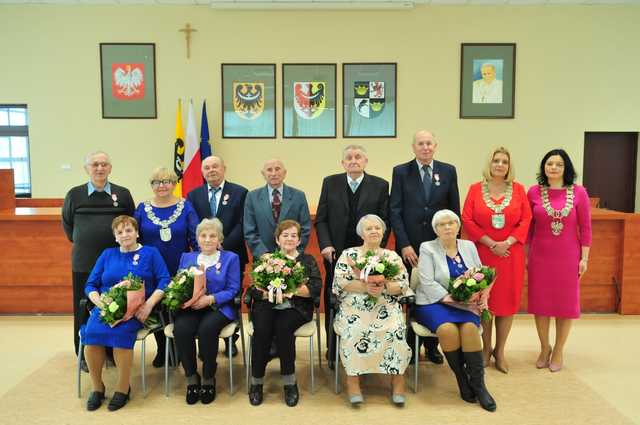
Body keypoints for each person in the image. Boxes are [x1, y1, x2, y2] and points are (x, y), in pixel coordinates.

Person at [81, 215, 170, 411]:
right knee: (91, 335)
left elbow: (164, 279)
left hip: (137, 309)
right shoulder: (107, 254)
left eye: (129, 230)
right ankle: (97, 387)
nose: (125, 235)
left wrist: (149, 304)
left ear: (137, 233)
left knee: (121, 334)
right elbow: (90, 284)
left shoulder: (151, 253)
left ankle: (123, 388)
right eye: (119, 232)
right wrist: (99, 301)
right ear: (115, 237)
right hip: (106, 307)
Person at [415, 209, 497, 412]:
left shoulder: (468, 246)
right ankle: (461, 378)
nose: (447, 227)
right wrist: (451, 298)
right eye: (442, 224)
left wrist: (482, 294)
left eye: (451, 223)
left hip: (466, 304)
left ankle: (479, 385)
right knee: (447, 330)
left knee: (469, 329)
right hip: (434, 302)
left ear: (458, 226)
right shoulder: (428, 248)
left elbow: (481, 274)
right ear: (436, 229)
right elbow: (426, 281)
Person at [390, 130, 460, 364]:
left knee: (436, 291)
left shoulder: (448, 171)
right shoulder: (401, 172)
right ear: (414, 147)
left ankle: (432, 346)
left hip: (439, 245)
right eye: (421, 143)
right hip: (411, 246)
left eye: (429, 143)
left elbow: (453, 211)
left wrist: (451, 244)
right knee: (411, 294)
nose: (425, 147)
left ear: (435, 145)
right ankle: (410, 345)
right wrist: (404, 244)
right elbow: (395, 211)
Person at [315, 144, 389, 363]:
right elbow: (321, 219)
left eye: (358, 157)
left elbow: (385, 221)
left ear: (365, 161)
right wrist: (326, 245)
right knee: (334, 297)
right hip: (336, 254)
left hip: (369, 254)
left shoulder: (380, 185)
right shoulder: (330, 183)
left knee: (368, 295)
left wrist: (376, 251)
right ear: (343, 163)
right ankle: (333, 349)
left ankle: (364, 348)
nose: (354, 160)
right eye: (349, 157)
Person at [62, 151, 135, 370]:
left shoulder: (122, 194)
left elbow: (130, 222)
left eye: (104, 164)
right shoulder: (74, 195)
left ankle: (112, 352)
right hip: (84, 262)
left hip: (116, 264)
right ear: (87, 169)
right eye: (95, 164)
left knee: (116, 304)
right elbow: (68, 227)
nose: (100, 168)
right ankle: (82, 354)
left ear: (110, 168)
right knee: (83, 307)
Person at [461, 147, 532, 373]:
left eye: (504, 161)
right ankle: (486, 348)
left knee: (507, 303)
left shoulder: (519, 190)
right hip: (483, 252)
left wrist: (507, 243)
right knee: (484, 301)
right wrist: (492, 243)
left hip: (511, 255)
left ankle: (500, 351)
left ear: (509, 166)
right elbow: (467, 219)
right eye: (496, 161)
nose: (500, 165)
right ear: (489, 164)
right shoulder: (475, 189)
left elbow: (526, 219)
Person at [333, 214, 411, 406]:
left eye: (377, 228)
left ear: (383, 232)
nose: (374, 231)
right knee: (355, 331)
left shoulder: (392, 256)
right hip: (355, 306)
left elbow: (402, 283)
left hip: (386, 305)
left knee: (396, 329)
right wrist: (366, 287)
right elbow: (340, 282)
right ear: (362, 234)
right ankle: (353, 381)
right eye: (369, 229)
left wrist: (382, 287)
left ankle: (398, 380)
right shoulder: (349, 254)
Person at [527, 149, 592, 372]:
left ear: (567, 168)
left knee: (565, 305)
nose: (553, 168)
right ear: (544, 167)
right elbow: (528, 227)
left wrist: (585, 258)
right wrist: (525, 255)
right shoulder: (534, 192)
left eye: (559, 164)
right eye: (549, 164)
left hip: (568, 256)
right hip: (540, 256)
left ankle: (559, 350)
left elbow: (585, 227)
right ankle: (545, 347)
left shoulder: (579, 193)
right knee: (541, 305)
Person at [247, 220, 322, 407]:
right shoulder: (267, 260)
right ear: (277, 239)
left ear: (299, 240)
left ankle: (290, 382)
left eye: (293, 235)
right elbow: (252, 290)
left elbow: (314, 288)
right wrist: (265, 292)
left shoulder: (307, 260)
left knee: (283, 327)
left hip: (296, 307)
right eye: (285, 235)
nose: (289, 239)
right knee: (262, 329)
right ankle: (256, 382)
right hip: (267, 304)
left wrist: (290, 289)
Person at [134, 166, 199, 367]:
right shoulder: (142, 208)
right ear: (151, 186)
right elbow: (134, 237)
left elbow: (196, 238)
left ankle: (179, 348)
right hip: (150, 268)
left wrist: (197, 266)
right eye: (156, 182)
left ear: (174, 183)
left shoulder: (186, 207)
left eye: (166, 181)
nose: (161, 186)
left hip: (179, 267)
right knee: (157, 308)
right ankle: (163, 348)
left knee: (178, 307)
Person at [173, 218, 241, 405]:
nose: (208, 239)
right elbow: (179, 283)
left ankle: (209, 377)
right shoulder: (186, 258)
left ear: (220, 238)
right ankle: (191, 377)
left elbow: (233, 289)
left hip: (218, 307)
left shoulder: (231, 258)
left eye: (213, 236)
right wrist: (185, 299)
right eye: (203, 235)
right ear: (197, 238)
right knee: (181, 329)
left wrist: (210, 299)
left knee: (207, 329)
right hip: (193, 307)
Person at [187, 156, 249, 356]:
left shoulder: (240, 192)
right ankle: (205, 341)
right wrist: (205, 245)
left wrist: (223, 245)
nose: (211, 170)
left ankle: (231, 339)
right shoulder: (193, 194)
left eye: (215, 166)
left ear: (224, 168)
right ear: (202, 171)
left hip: (232, 255)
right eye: (207, 167)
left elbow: (243, 224)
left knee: (229, 297)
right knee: (201, 293)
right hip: (203, 255)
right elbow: (193, 225)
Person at [244, 159, 311, 258]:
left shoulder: (298, 196)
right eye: (269, 170)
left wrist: (294, 253)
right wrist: (263, 254)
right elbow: (249, 231)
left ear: (284, 173)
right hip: (263, 260)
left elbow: (305, 228)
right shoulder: (252, 197)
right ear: (263, 174)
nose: (274, 173)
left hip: (292, 258)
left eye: (277, 169)